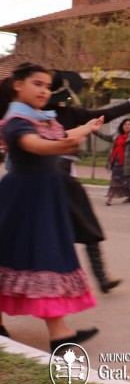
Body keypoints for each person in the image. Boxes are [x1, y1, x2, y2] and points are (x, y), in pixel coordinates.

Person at [0, 62, 103, 351]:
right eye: (37, 84)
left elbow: (61, 137)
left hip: (44, 198)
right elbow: (33, 144)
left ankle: (59, 332)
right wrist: (59, 147)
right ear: (18, 85)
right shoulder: (16, 120)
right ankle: (60, 333)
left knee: (39, 261)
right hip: (22, 200)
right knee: (32, 259)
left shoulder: (42, 118)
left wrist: (86, 128)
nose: (44, 90)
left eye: (47, 86)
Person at [47, 73, 130, 294]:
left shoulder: (34, 115)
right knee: (84, 225)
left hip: (44, 174)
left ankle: (94, 279)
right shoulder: (69, 113)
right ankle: (97, 278)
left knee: (59, 229)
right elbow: (108, 113)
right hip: (60, 176)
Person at [100, 118, 130, 206]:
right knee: (115, 180)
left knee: (129, 182)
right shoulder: (116, 135)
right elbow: (104, 136)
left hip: (128, 164)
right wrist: (94, 131)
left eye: (129, 124)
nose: (127, 126)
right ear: (122, 126)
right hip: (116, 162)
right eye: (125, 124)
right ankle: (110, 199)